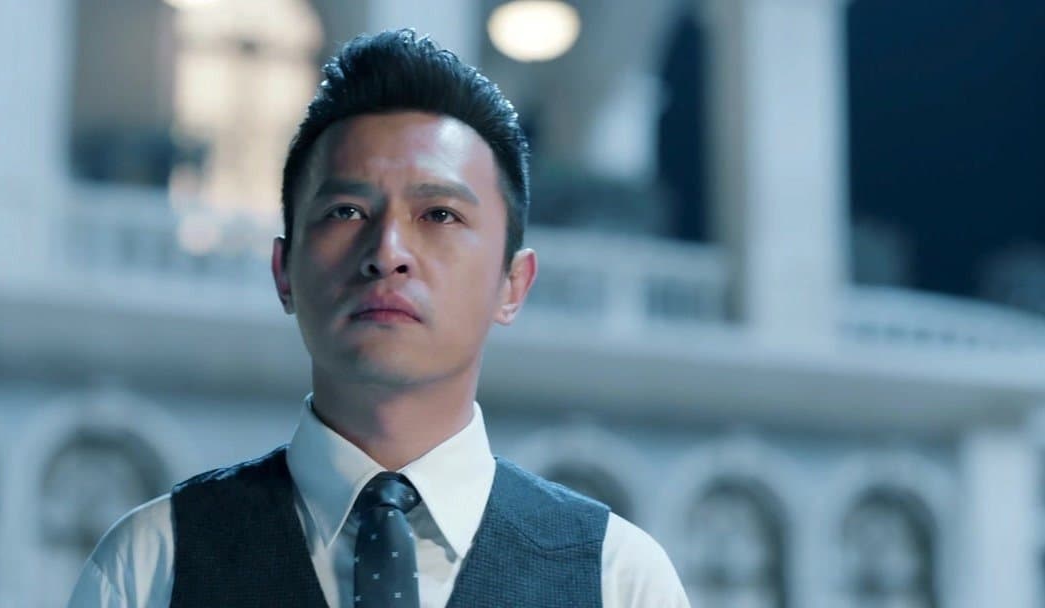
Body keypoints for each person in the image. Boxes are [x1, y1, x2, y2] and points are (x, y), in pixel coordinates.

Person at [68, 29, 689, 608]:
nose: (387, 253)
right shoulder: (150, 565)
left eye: (440, 215)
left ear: (513, 283)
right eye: (345, 211)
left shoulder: (617, 578)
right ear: (284, 272)